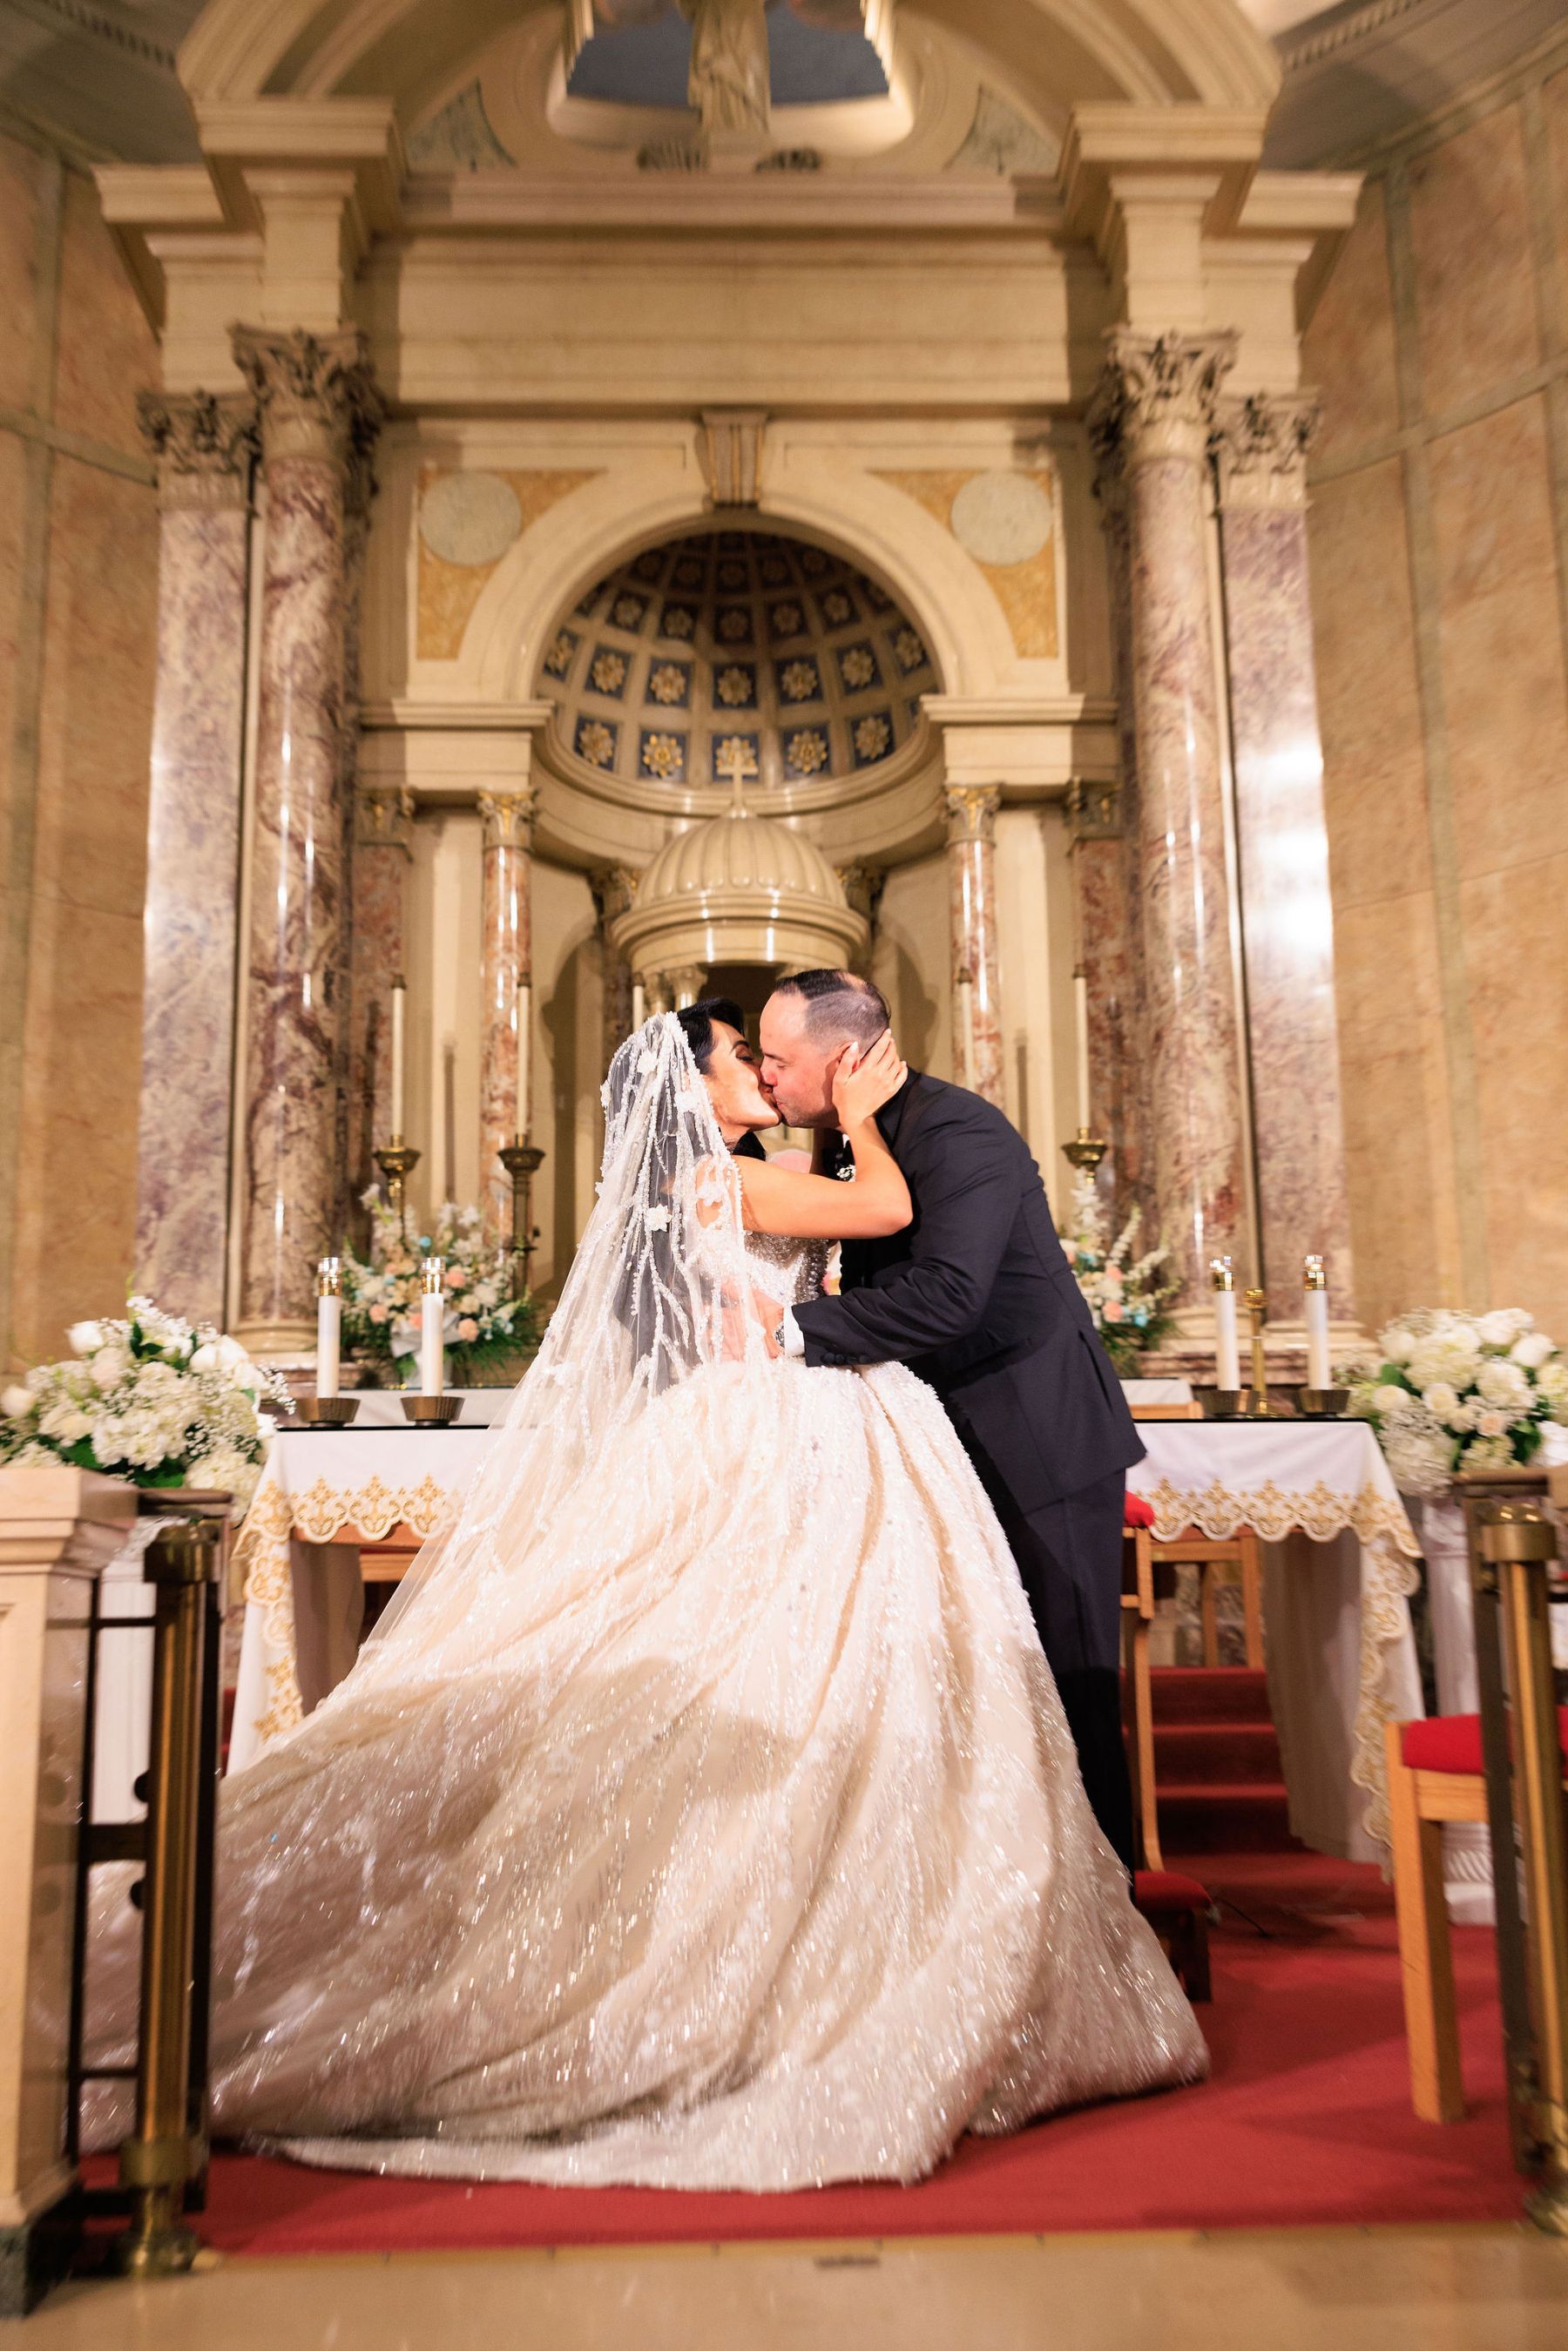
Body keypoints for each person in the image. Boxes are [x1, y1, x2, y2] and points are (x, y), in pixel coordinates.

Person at [89, 1003, 1204, 2190]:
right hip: (787, 1428)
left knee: (828, 1663)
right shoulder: (734, 1177)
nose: (764, 1071)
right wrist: (867, 1128)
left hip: (816, 1421)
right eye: (743, 1055)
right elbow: (880, 1216)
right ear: (695, 1082)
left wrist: (823, 1211)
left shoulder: (767, 1164)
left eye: (774, 1053)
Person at [757, 970, 1144, 1870]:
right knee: (982, 1684)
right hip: (942, 1442)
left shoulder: (958, 1129)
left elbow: (949, 1296)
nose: (770, 1077)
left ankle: (1112, 1907)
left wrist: (783, 1329)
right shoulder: (851, 1142)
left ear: (844, 1057)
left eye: (780, 1059)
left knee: (1068, 1681)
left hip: (1035, 1438)